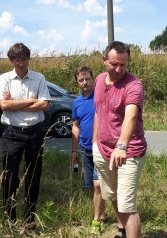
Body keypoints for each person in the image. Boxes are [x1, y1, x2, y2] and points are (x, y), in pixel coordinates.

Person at [92, 41, 147, 238]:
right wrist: (94, 142)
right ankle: (123, 231)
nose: (118, 69)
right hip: (102, 150)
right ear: (104, 59)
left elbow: (131, 115)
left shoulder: (133, 85)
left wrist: (121, 146)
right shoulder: (98, 80)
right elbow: (99, 110)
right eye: (114, 64)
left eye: (123, 65)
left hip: (128, 151)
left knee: (127, 204)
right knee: (112, 195)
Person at [0, 42, 51, 227]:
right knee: (10, 178)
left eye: (24, 59)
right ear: (11, 60)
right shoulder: (4, 79)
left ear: (29, 59)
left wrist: (15, 103)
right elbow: (3, 105)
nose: (21, 63)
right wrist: (31, 101)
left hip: (34, 133)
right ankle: (10, 219)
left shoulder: (39, 78)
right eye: (17, 60)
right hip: (12, 133)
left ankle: (29, 220)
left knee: (33, 177)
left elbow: (44, 105)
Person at [71, 66, 107, 234]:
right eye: (81, 80)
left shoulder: (100, 97)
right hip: (85, 151)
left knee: (98, 185)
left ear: (94, 80)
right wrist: (74, 151)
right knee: (92, 186)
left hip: (100, 148)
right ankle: (102, 213)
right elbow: (75, 126)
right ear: (77, 83)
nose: (85, 83)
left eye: (87, 79)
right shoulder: (77, 102)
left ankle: (96, 220)